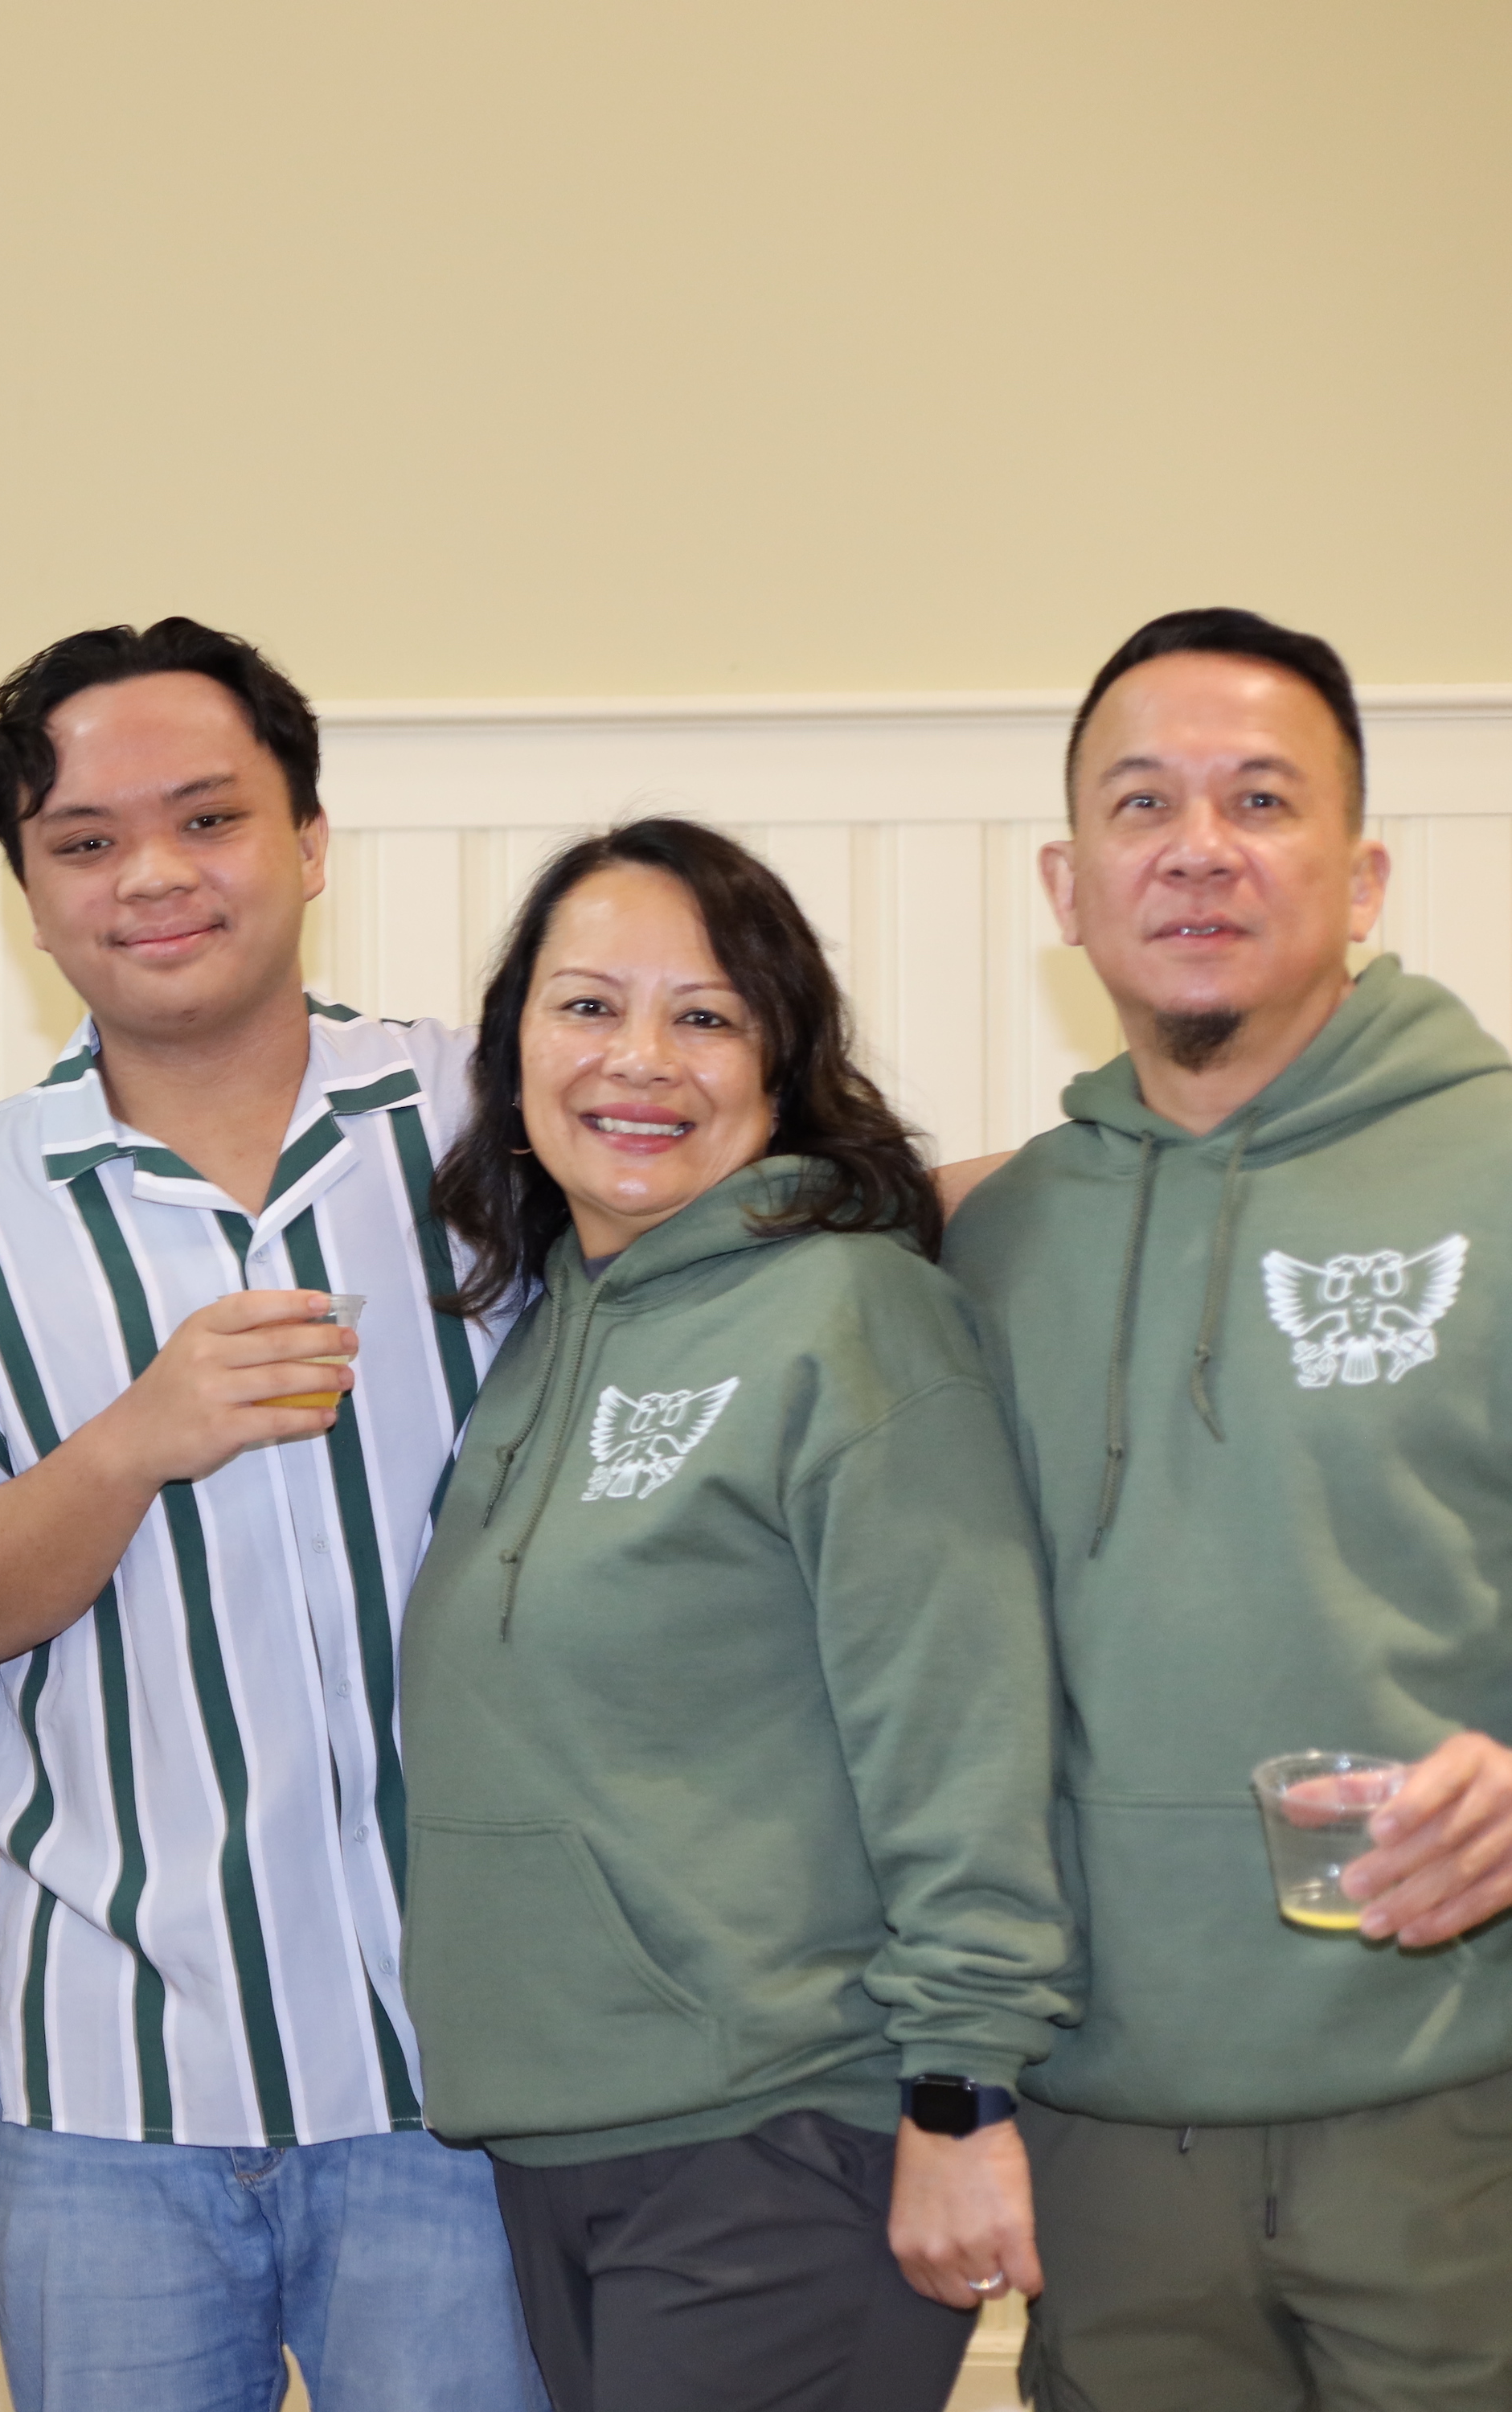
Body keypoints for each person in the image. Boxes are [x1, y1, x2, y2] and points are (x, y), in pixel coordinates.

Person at [0, 618, 546, 2412]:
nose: (151, 874)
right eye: (83, 843)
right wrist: (128, 1445)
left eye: (210, 819)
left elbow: (775, 1228)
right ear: (26, 891)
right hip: (108, 2109)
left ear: (310, 843)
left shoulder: (505, 1121)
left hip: (470, 2086)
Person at [395, 819, 1072, 2411]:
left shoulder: (851, 1313)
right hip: (562, 2136)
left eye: (704, 1016)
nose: (641, 1061)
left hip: (781, 2138)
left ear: (783, 1058)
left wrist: (962, 2095)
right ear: (511, 1052)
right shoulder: (547, 1325)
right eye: (587, 1008)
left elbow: (962, 1730)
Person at [943, 607, 1512, 2411]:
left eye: (1261, 800)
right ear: (1067, 880)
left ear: (1359, 876)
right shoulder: (1001, 1238)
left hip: (1460, 2112)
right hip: (1105, 2143)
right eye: (1142, 805)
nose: (1197, 846)